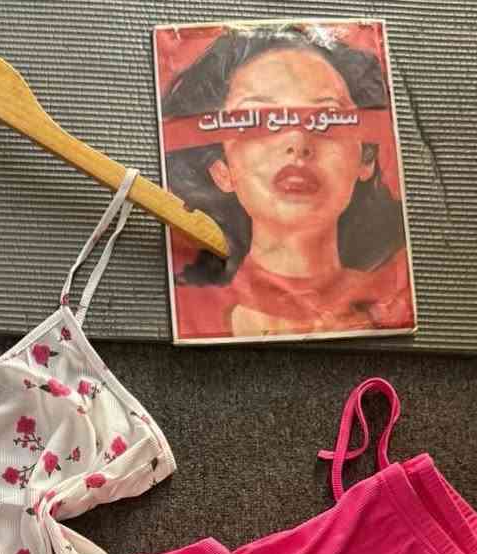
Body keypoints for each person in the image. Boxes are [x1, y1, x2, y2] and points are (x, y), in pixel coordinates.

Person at [161, 24, 415, 338]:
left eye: (325, 118)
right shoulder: (191, 313)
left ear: (366, 158)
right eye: (260, 120)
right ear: (220, 168)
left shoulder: (391, 305)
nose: (297, 142)